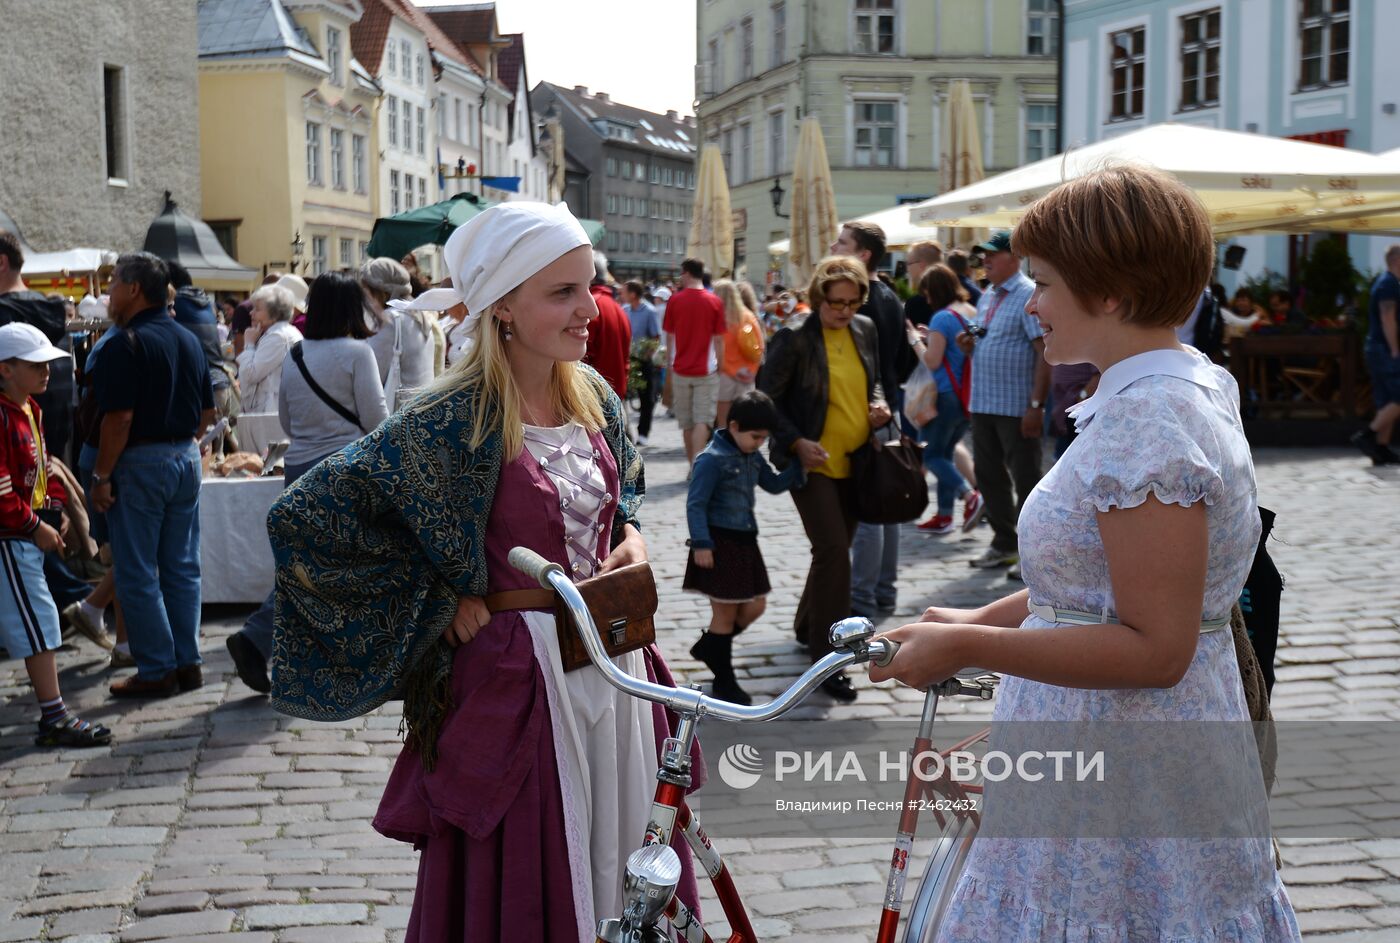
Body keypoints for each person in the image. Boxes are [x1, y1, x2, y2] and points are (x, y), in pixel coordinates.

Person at [871, 165, 1300, 942]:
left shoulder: (1151, 422)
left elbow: (1155, 646)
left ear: (1109, 291)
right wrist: (977, 615)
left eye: (1044, 283)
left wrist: (967, 644)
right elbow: (1089, 589)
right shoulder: (1177, 389)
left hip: (1126, 769)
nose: (1032, 306)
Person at [266, 202, 704, 937]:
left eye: (588, 285)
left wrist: (630, 536)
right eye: (562, 292)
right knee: (539, 870)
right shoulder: (449, 420)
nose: (588, 308)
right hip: (522, 682)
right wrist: (437, 596)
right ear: (503, 306)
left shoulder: (592, 394)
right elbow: (309, 518)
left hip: (618, 669)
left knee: (628, 860)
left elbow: (620, 488)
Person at [225, 272, 389, 694]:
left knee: (308, 563)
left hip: (299, 470)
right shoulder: (357, 352)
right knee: (337, 566)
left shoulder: (296, 355)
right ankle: (266, 639)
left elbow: (286, 422)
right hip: (343, 470)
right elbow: (375, 420)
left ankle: (284, 646)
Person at [757, 255, 891, 703]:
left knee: (834, 551)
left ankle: (806, 625)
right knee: (834, 549)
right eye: (837, 303)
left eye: (853, 303)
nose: (845, 311)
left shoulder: (865, 331)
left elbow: (872, 380)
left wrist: (878, 406)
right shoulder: (794, 337)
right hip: (810, 463)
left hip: (856, 461)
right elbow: (764, 399)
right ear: (819, 299)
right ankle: (828, 657)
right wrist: (795, 443)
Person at [91, 252, 215, 698]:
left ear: (133, 289)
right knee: (182, 567)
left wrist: (102, 474)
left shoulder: (126, 343)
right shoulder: (188, 338)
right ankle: (188, 662)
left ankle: (160, 668)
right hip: (184, 455)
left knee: (137, 570)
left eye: (112, 285)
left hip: (143, 460)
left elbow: (118, 418)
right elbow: (208, 411)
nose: (108, 294)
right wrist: (181, 446)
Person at [0, 323, 112, 746]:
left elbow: (44, 465)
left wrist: (56, 507)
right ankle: (54, 715)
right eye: (36, 364)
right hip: (12, 536)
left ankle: (54, 714)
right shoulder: (4, 414)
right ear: (5, 369)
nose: (47, 371)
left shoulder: (29, 407)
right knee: (38, 621)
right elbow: (3, 489)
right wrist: (35, 525)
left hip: (24, 529)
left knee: (39, 619)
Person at [683, 390, 802, 704]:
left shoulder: (751, 455)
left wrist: (798, 469)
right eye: (755, 437)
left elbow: (773, 484)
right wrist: (702, 544)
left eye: (764, 439)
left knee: (755, 606)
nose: (759, 443)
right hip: (719, 543)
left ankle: (711, 647)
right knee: (724, 615)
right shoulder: (711, 459)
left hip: (746, 541)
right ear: (733, 426)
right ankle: (725, 681)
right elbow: (696, 505)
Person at [830, 221, 910, 618]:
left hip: (866, 413)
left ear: (862, 255)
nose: (833, 246)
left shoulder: (862, 301)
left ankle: (860, 598)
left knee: (867, 511)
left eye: (841, 242)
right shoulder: (890, 296)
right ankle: (883, 593)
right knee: (886, 505)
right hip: (887, 407)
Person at [961, 231, 1048, 576]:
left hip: (1016, 406)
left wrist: (1036, 405)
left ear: (1014, 258)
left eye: (992, 255)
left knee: (1025, 478)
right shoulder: (988, 294)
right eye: (983, 256)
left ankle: (1032, 554)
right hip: (984, 402)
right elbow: (987, 339)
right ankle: (1004, 543)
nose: (985, 261)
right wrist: (969, 343)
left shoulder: (1028, 293)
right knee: (988, 476)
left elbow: (1044, 353)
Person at [907, 264, 984, 535]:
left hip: (945, 395)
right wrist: (932, 337)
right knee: (946, 454)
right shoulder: (971, 312)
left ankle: (970, 495)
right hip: (967, 394)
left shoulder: (942, 316)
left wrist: (916, 340)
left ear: (935, 291)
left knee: (933, 454)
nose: (926, 299)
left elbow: (932, 360)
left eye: (927, 293)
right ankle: (944, 516)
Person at [0, 234, 75, 468]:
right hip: (52, 442)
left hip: (16, 450)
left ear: (1, 263)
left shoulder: (4, 313)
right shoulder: (50, 311)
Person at [664, 257, 727, 464]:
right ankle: (697, 467)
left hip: (681, 369)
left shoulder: (675, 300)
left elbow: (670, 337)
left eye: (681, 273)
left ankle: (693, 463)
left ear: (687, 273)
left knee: (687, 422)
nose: (680, 277)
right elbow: (719, 340)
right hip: (707, 370)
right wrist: (722, 366)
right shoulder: (715, 301)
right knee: (703, 421)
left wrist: (670, 366)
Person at [168, 262, 238, 448]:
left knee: (203, 454)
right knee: (217, 454)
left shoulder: (176, 305)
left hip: (199, 388)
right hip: (220, 381)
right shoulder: (205, 302)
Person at [361, 258, 442, 410]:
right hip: (422, 410)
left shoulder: (391, 319)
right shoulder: (420, 313)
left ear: (379, 291)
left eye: (366, 290)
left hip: (399, 416)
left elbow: (371, 374)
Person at [1354, 244, 1400, 464]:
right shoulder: (1388, 284)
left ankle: (1381, 448)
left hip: (1379, 348)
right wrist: (1394, 348)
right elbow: (1387, 318)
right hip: (1384, 349)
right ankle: (1368, 435)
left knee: (1387, 400)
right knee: (1398, 396)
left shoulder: (1387, 283)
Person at [236, 282, 302, 414]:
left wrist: (249, 344)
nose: (251, 313)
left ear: (274, 314)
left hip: (273, 415)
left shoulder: (277, 337)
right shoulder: (282, 332)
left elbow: (250, 375)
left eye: (257, 309)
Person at [712, 279, 764, 428]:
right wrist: (752, 371)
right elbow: (759, 346)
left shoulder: (717, 317)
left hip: (723, 373)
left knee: (723, 422)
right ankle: (741, 449)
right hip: (746, 374)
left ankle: (724, 448)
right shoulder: (748, 316)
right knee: (743, 421)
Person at [585, 252, 632, 399]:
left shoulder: (590, 306)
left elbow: (582, 359)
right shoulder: (617, 307)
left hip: (594, 396)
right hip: (615, 392)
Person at [621, 280, 661, 444]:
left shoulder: (650, 311)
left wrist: (647, 355)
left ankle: (643, 432)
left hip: (644, 359)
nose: (621, 295)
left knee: (647, 398)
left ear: (633, 294)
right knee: (623, 396)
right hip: (628, 357)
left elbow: (655, 337)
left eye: (624, 292)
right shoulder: (624, 310)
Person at [902, 239, 945, 328]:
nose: (907, 269)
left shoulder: (915, 305)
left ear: (921, 265)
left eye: (908, 263)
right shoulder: (958, 297)